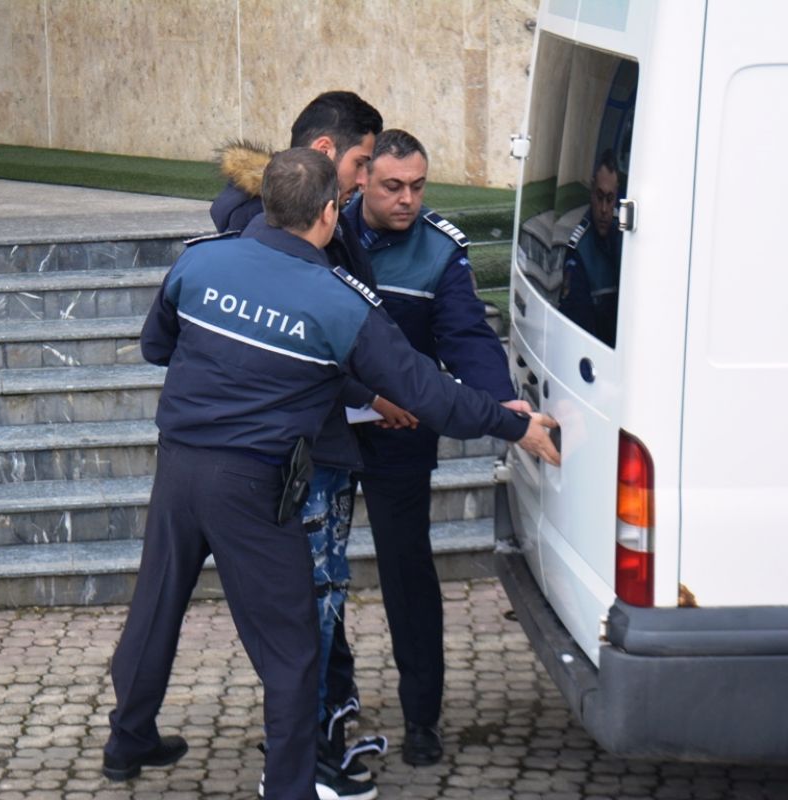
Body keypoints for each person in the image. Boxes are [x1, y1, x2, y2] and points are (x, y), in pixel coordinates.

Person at [102, 148, 560, 800]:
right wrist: (513, 424)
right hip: (252, 485)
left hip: (177, 464)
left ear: (266, 203)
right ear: (329, 212)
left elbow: (157, 347)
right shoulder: (338, 302)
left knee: (156, 602)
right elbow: (425, 392)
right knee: (292, 651)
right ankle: (290, 788)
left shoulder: (200, 260)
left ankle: (127, 740)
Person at [209, 91, 410, 793]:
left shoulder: (301, 221)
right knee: (314, 605)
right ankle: (302, 765)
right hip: (305, 454)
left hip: (316, 445)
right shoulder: (269, 231)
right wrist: (376, 393)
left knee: (323, 603)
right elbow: (307, 339)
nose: (365, 179)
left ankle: (321, 739)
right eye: (361, 163)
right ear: (324, 153)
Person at [343, 129, 531, 767]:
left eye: (418, 187)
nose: (407, 199)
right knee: (313, 570)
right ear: (364, 178)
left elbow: (467, 335)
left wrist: (502, 402)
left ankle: (422, 717)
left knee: (408, 573)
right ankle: (327, 704)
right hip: (329, 429)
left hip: (402, 434)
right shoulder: (325, 229)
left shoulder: (440, 250)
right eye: (393, 186)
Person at [558, 149, 623, 346]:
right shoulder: (579, 252)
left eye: (610, 199)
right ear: (591, 192)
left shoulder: (624, 236)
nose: (604, 209)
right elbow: (578, 326)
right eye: (599, 197)